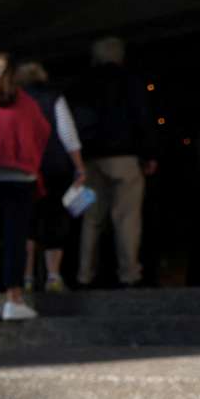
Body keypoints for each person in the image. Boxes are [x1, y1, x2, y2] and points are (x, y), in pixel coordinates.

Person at [0, 53, 51, 321]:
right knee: (15, 239)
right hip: (19, 177)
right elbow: (43, 133)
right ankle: (14, 298)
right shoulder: (26, 103)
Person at [69, 36, 156, 287]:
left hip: (91, 158)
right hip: (125, 156)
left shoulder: (83, 84)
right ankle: (129, 273)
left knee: (92, 218)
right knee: (126, 217)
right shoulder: (131, 82)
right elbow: (142, 117)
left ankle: (84, 274)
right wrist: (149, 153)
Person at [16, 61, 87, 293]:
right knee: (55, 221)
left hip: (23, 168)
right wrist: (79, 166)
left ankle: (25, 278)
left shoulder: (14, 99)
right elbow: (67, 133)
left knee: (27, 225)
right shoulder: (53, 97)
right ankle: (53, 277)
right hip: (54, 168)